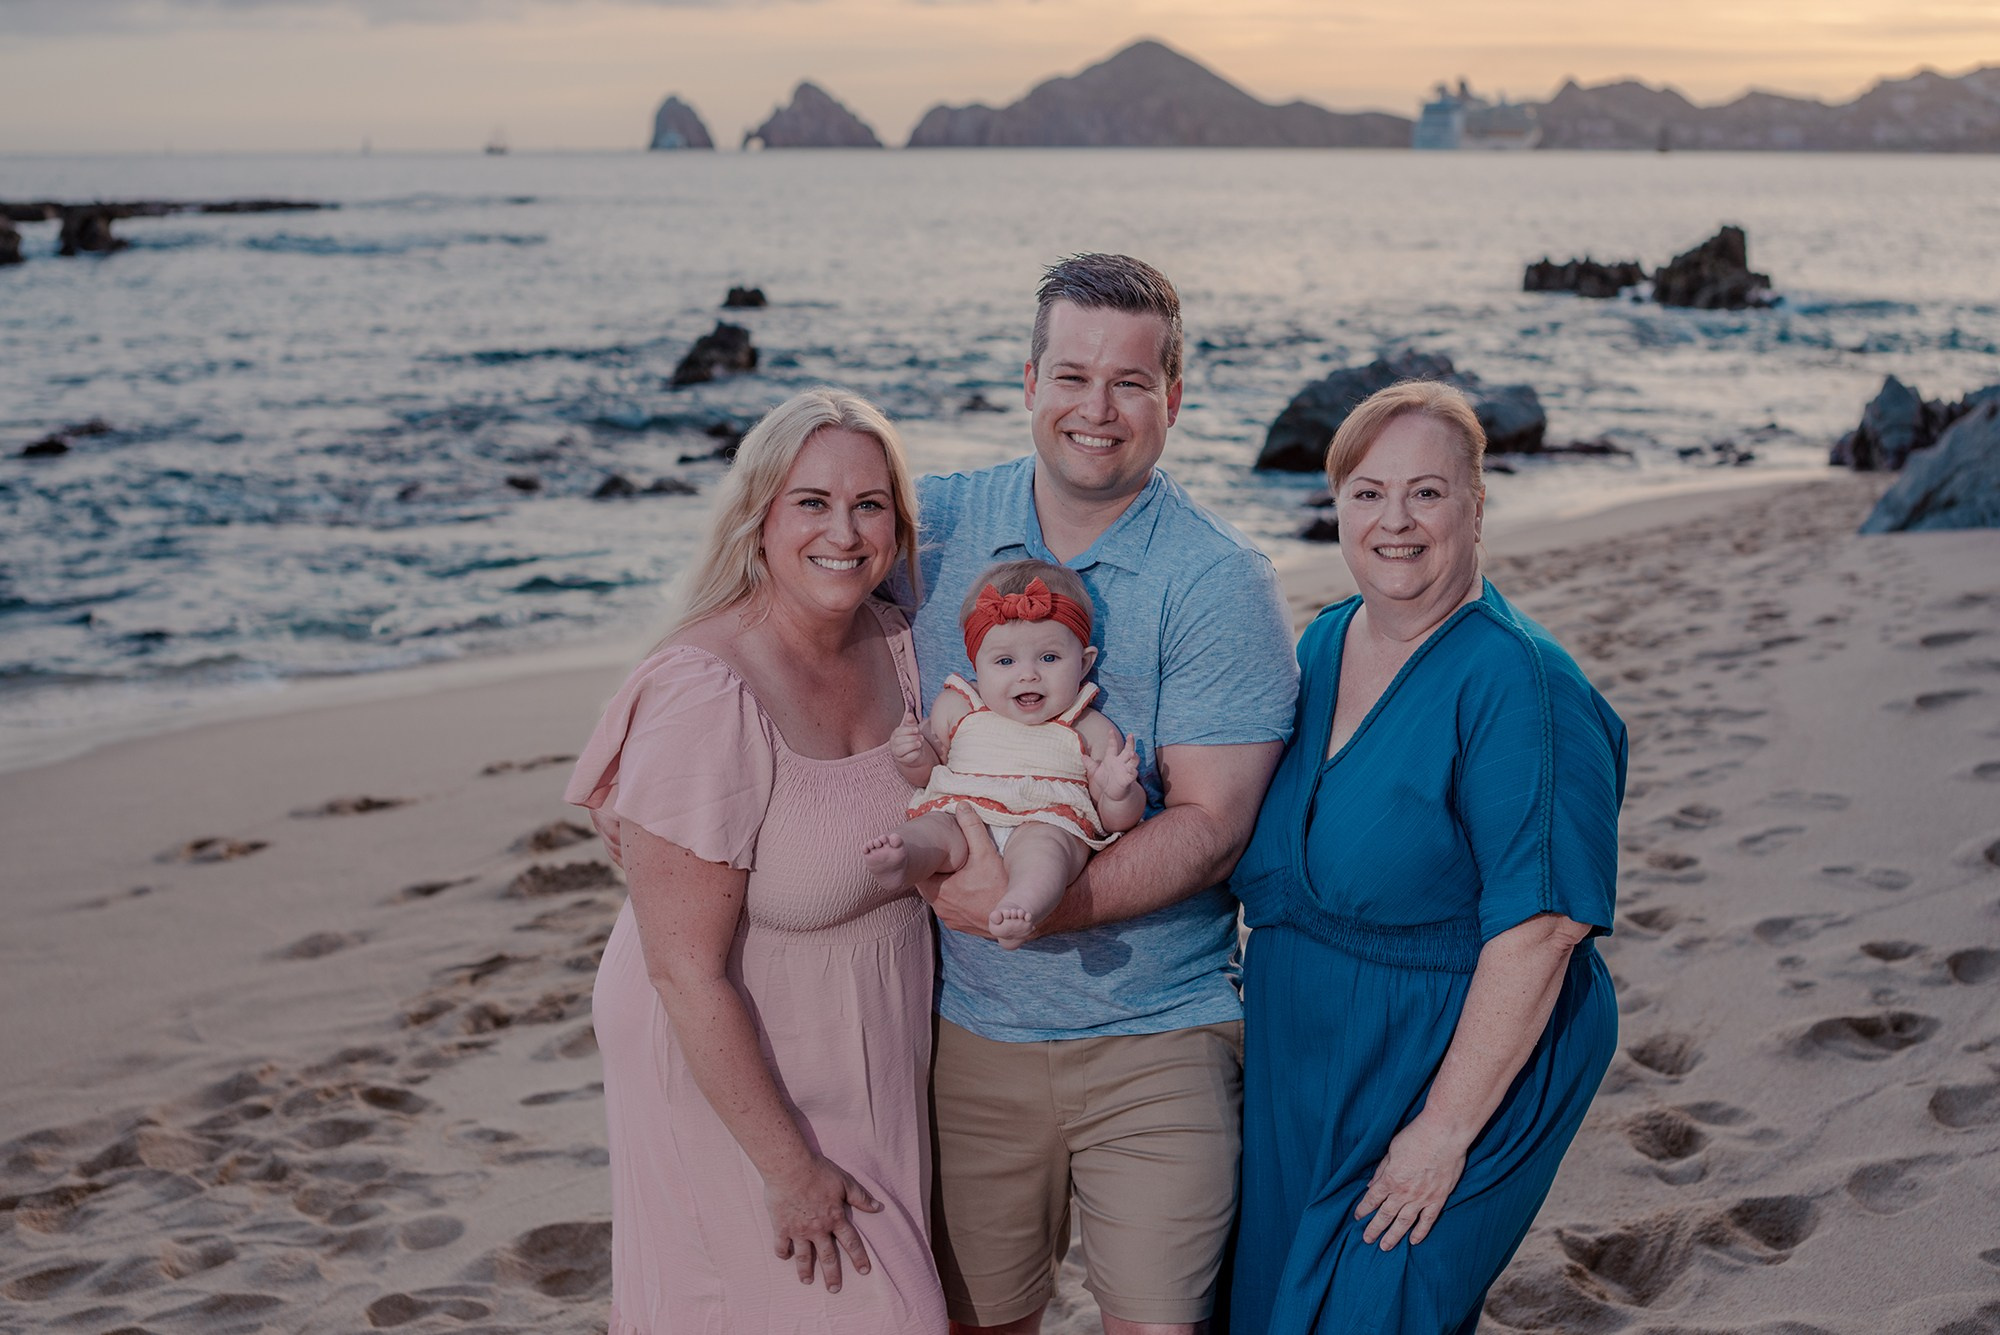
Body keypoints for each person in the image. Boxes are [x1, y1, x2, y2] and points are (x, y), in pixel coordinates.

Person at [909, 253, 1299, 1335]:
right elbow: (780, 571)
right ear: (1027, 382)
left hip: (1158, 1036)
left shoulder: (1218, 580)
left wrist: (1023, 903)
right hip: (963, 1033)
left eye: (1129, 382)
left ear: (1171, 398)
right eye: (1071, 376)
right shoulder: (930, 529)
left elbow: (1212, 827)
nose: (1097, 409)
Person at [1226, 380, 1627, 1335]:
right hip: (1307, 1064)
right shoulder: (1321, 643)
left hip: (1453, 1062)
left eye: (1427, 493)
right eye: (1367, 492)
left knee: (1376, 1309)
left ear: (1477, 505)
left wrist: (1440, 1135)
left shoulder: (1520, 682)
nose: (1393, 521)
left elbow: (1546, 924)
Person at [565, 387, 948, 1335]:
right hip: (731, 1068)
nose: (844, 531)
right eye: (810, 501)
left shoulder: (902, 645)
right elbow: (682, 966)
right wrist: (789, 1167)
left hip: (870, 1046)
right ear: (761, 517)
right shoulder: (709, 691)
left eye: (869, 504)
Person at [863, 560, 1144, 946]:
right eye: (1005, 661)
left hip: (1045, 819)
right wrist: (912, 757)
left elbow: (1117, 822)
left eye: (1048, 658)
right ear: (976, 666)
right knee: (935, 829)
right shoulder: (959, 707)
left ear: (1084, 663)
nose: (1027, 675)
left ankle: (1024, 904)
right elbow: (929, 775)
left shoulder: (1088, 727)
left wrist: (1118, 793)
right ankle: (905, 858)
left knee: (1046, 851)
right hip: (963, 812)